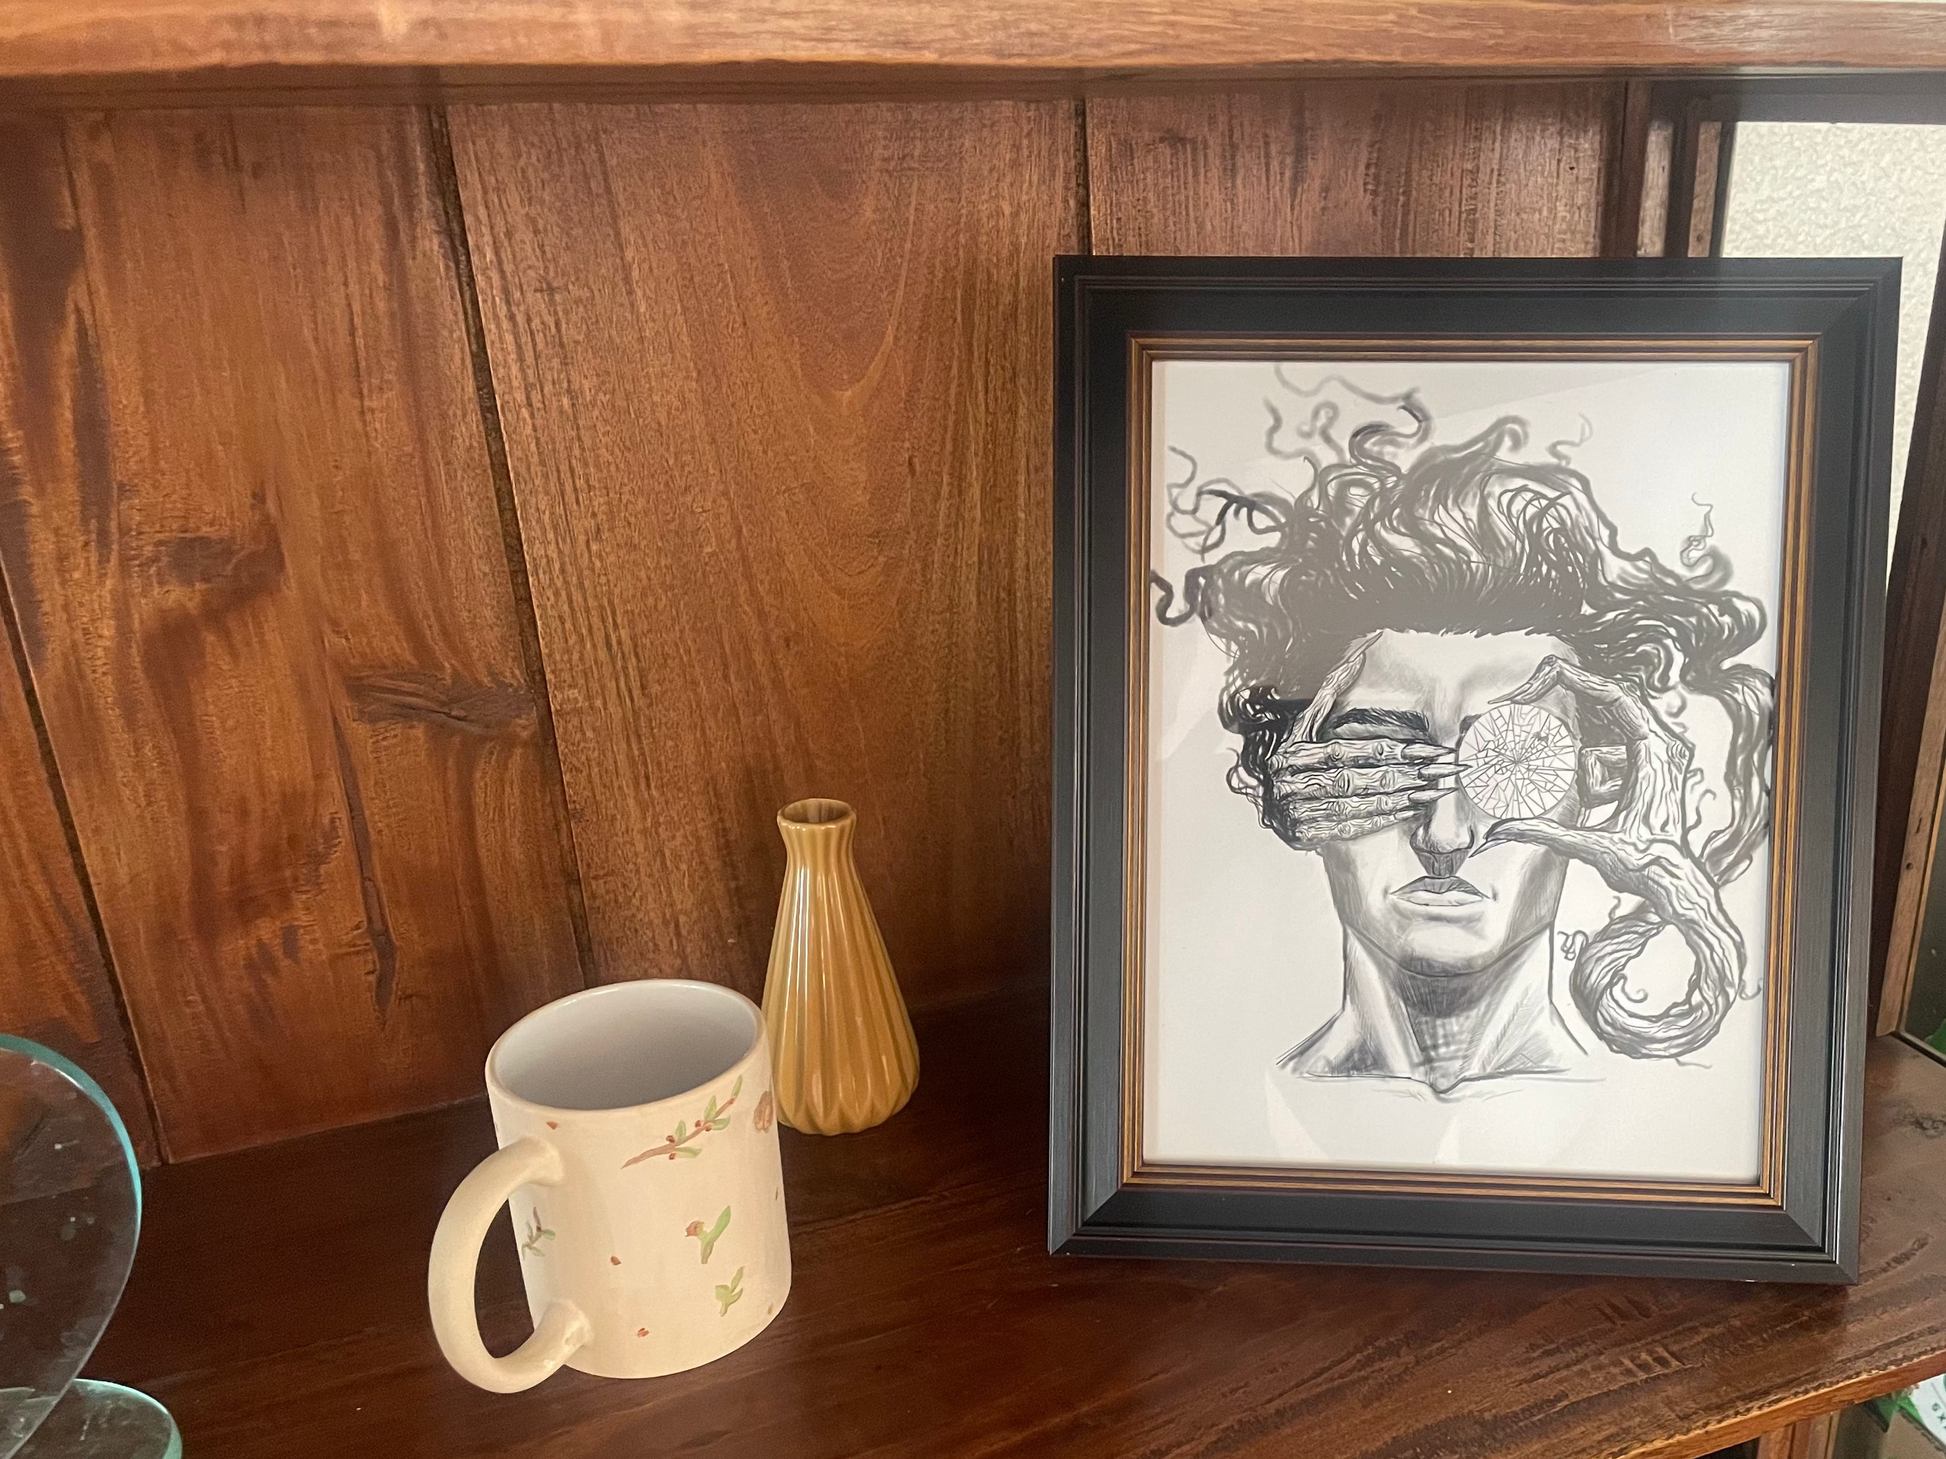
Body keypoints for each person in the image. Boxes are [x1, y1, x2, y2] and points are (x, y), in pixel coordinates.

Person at [1155, 386, 1774, 1150]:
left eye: (1514, 757)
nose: (1444, 836)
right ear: (1298, 782)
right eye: (1384, 761)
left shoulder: (1676, 1135)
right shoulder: (1202, 1117)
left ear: (1603, 779)